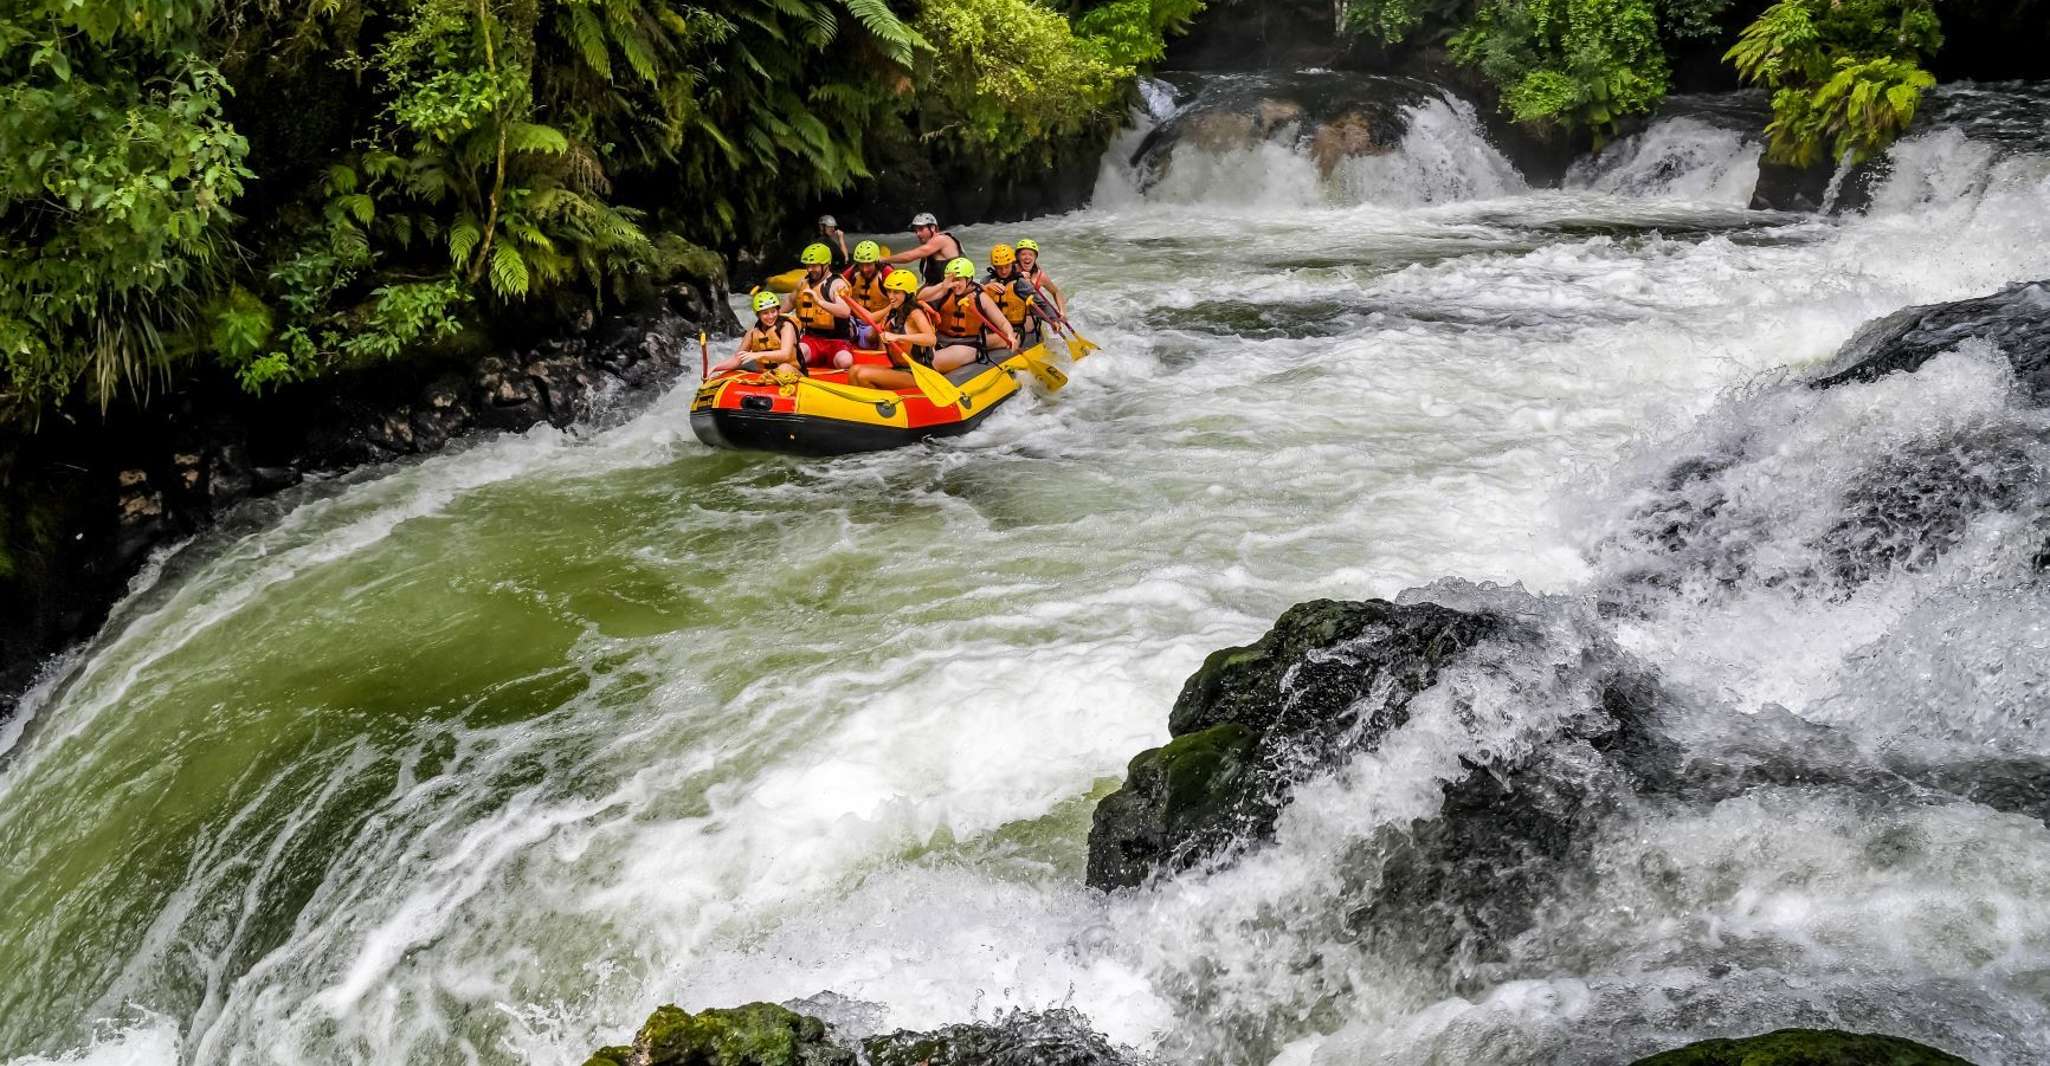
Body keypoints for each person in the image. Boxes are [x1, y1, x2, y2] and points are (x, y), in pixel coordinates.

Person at [918, 257, 1015, 373]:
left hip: (968, 344)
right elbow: (919, 297)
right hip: (941, 340)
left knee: (932, 362)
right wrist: (943, 285)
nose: (955, 284)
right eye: (952, 280)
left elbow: (1002, 322)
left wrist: (1010, 335)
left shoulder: (980, 297)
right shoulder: (946, 290)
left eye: (959, 279)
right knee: (917, 355)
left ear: (969, 279)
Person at [849, 269, 939, 391]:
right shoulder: (894, 307)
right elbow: (868, 319)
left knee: (862, 375)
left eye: (896, 292)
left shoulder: (915, 313)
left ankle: (876, 404)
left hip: (918, 374)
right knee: (854, 370)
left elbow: (931, 339)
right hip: (899, 369)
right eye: (889, 291)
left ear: (907, 293)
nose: (891, 296)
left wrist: (897, 337)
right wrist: (847, 299)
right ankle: (862, 407)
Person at [791, 242, 857, 370]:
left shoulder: (837, 284)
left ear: (826, 265)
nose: (810, 269)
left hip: (837, 340)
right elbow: (790, 301)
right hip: (811, 339)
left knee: (845, 362)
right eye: (808, 265)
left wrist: (819, 302)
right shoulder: (803, 282)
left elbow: (845, 311)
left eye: (814, 266)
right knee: (796, 355)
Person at [710, 291, 800, 375]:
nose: (770, 316)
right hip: (766, 374)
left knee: (783, 368)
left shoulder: (786, 326)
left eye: (773, 311)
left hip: (790, 371)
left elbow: (785, 354)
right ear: (758, 315)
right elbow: (738, 358)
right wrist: (715, 368)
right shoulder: (753, 332)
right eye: (765, 313)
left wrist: (757, 355)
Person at [982, 243, 1043, 352]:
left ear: (1012, 263)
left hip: (1018, 326)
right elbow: (973, 294)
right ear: (994, 267)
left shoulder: (1021, 282)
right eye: (999, 268)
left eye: (1007, 266)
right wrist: (984, 288)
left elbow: (1042, 304)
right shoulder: (986, 281)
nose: (1004, 271)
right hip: (996, 326)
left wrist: (1054, 320)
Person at [884, 212, 963, 287]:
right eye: (916, 230)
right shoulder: (930, 246)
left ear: (932, 228)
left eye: (921, 229)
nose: (918, 233)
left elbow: (909, 257)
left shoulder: (941, 239)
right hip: (940, 288)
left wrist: (883, 259)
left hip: (955, 287)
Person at [843, 240, 891, 347]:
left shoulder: (886, 274)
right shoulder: (852, 272)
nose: (864, 269)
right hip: (854, 320)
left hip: (877, 323)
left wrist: (883, 319)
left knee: (871, 336)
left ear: (876, 262)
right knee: (842, 329)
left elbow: (899, 301)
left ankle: (881, 352)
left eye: (869, 264)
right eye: (861, 265)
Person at [1013, 237, 1067, 320]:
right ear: (1017, 257)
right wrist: (1018, 275)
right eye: (1023, 254)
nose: (1027, 257)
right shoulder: (1010, 270)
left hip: (1032, 315)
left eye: (1031, 254)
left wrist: (1062, 312)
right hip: (1013, 313)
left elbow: (1056, 292)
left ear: (1035, 258)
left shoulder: (1040, 276)